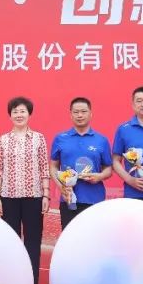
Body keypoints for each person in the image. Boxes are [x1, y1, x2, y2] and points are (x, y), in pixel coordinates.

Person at [0, 96, 50, 284]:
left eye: (22, 111)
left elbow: (44, 168)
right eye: (15, 111)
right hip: (8, 198)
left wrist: (46, 196)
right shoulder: (3, 140)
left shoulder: (38, 139)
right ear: (10, 115)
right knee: (11, 246)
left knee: (32, 245)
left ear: (29, 114)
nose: (19, 115)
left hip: (34, 197)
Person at [50, 97, 112, 230]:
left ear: (91, 114)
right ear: (70, 114)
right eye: (76, 112)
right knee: (70, 237)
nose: (80, 115)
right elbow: (53, 166)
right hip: (68, 199)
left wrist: (99, 176)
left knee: (94, 237)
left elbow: (108, 169)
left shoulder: (101, 140)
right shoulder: (60, 138)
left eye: (83, 111)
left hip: (94, 199)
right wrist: (61, 187)